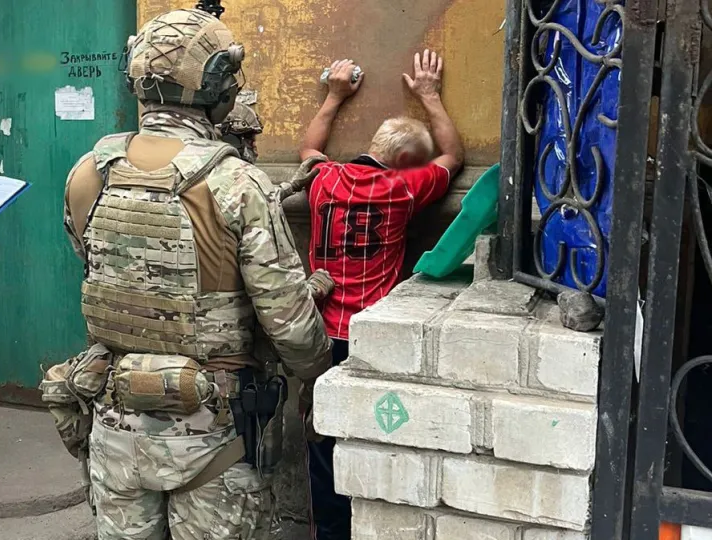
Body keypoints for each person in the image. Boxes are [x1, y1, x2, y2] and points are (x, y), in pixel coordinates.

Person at [60, 8, 332, 540]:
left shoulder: (89, 173)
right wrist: (317, 376)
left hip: (115, 429)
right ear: (219, 90)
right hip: (215, 436)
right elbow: (289, 322)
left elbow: (98, 267)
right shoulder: (239, 183)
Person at [298, 51, 464, 540]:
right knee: (377, 435)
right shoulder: (402, 189)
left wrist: (334, 95)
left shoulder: (324, 180)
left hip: (320, 334)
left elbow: (309, 149)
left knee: (322, 443)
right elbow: (453, 157)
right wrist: (430, 96)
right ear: (408, 163)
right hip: (370, 337)